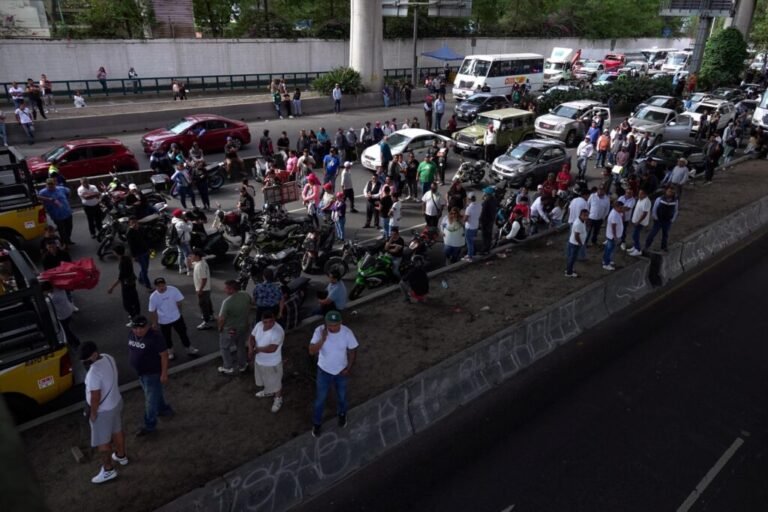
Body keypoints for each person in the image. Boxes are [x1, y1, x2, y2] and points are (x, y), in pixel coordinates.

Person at [80, 341, 126, 484]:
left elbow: (95, 396)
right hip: (116, 401)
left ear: (94, 354)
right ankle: (121, 456)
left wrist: (93, 414)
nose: (85, 363)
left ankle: (108, 470)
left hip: (104, 411)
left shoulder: (94, 373)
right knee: (117, 431)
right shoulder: (108, 357)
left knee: (102, 442)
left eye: (87, 360)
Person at [309, 310, 359, 437]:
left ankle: (342, 415)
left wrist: (348, 368)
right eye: (330, 325)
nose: (332, 328)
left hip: (340, 372)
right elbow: (311, 351)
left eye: (335, 325)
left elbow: (353, 351)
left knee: (341, 396)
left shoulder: (347, 332)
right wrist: (322, 339)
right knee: (320, 399)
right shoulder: (319, 331)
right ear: (325, 323)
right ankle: (317, 423)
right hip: (323, 371)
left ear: (341, 323)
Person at [126, 315, 174, 438]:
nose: (138, 330)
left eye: (141, 328)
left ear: (147, 326)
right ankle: (163, 409)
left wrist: (164, 373)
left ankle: (150, 425)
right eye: (135, 328)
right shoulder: (131, 334)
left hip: (152, 373)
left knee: (150, 401)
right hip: (141, 373)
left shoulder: (155, 337)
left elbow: (164, 355)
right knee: (153, 394)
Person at [148, 277, 199, 360]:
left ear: (165, 284)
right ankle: (170, 351)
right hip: (164, 321)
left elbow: (179, 302)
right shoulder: (153, 297)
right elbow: (152, 311)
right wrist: (154, 323)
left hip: (176, 317)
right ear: (156, 286)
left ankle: (189, 348)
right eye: (159, 286)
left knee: (183, 333)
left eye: (163, 285)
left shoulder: (173, 290)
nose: (161, 287)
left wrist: (179, 312)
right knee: (167, 337)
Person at [248, 312, 285, 413]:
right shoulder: (259, 325)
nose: (268, 324)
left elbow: (272, 348)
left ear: (274, 319)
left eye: (271, 322)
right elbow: (251, 337)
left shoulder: (278, 331)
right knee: (265, 378)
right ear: (262, 321)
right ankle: (268, 391)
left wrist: (256, 350)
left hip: (272, 363)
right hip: (260, 361)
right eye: (265, 322)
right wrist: (250, 348)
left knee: (276, 383)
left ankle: (278, 398)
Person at [217, 280, 252, 375]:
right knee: (240, 346)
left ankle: (228, 367)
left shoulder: (227, 302)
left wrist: (220, 328)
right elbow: (250, 305)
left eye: (226, 288)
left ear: (231, 289)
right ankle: (243, 365)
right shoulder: (245, 295)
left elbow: (221, 318)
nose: (224, 290)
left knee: (224, 347)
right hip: (243, 327)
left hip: (230, 329)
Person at [41, 280, 80, 347]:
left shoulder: (52, 298)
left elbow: (46, 303)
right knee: (67, 329)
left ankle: (75, 342)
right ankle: (73, 342)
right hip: (68, 310)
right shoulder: (59, 289)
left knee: (65, 331)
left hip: (63, 316)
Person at [108, 245, 141, 323]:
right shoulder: (126, 258)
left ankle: (134, 318)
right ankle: (137, 314)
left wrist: (111, 287)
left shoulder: (123, 263)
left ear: (117, 253)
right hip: (132, 282)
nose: (113, 253)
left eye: (114, 252)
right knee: (134, 299)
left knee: (127, 304)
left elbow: (120, 278)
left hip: (127, 284)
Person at [38, 178, 74, 245]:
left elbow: (68, 191)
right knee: (62, 230)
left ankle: (68, 239)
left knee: (69, 227)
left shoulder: (61, 188)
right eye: (49, 184)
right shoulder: (43, 192)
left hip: (67, 212)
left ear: (55, 184)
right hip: (56, 215)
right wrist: (48, 199)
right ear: (46, 185)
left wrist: (67, 199)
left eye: (52, 184)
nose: (50, 185)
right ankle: (65, 242)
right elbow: (37, 197)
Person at [644, 186, 679, 252]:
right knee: (652, 234)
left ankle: (664, 247)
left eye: (672, 192)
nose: (670, 193)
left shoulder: (675, 201)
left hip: (667, 221)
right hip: (658, 220)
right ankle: (647, 246)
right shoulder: (659, 199)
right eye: (669, 191)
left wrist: (672, 219)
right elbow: (654, 209)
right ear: (666, 191)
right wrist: (655, 217)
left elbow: (676, 211)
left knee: (665, 235)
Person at [126, 217, 152, 291]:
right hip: (139, 254)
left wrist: (149, 248)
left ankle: (141, 278)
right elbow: (131, 246)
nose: (134, 224)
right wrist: (134, 256)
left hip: (146, 251)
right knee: (144, 270)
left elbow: (145, 239)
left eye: (135, 222)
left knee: (145, 269)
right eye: (132, 223)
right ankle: (148, 286)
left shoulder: (141, 229)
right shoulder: (129, 232)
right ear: (130, 224)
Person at [190, 250, 213, 330]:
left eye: (192, 255)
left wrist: (200, 290)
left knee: (203, 304)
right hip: (206, 288)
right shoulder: (200, 262)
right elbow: (191, 265)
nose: (191, 257)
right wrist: (190, 260)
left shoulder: (201, 266)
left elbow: (204, 279)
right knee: (207, 302)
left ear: (197, 256)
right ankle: (210, 315)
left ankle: (206, 322)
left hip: (203, 289)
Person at [628, 188, 652, 257]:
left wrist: (638, 221)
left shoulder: (647, 201)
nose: (639, 195)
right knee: (635, 235)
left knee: (635, 235)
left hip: (640, 222)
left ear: (645, 194)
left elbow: (645, 213)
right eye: (639, 193)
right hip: (636, 220)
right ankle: (635, 247)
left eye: (641, 194)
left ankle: (638, 250)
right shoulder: (640, 199)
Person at [565, 209, 588, 277]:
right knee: (572, 258)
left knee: (571, 257)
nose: (586, 217)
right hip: (575, 243)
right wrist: (580, 243)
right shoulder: (578, 224)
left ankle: (569, 269)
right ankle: (569, 273)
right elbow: (576, 235)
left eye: (587, 215)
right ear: (580, 215)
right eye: (584, 215)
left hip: (573, 242)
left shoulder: (581, 221)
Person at [602, 201, 625, 271]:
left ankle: (605, 260)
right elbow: (613, 227)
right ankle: (606, 264)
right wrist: (615, 237)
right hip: (612, 236)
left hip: (612, 235)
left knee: (608, 249)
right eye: (621, 208)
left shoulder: (617, 212)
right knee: (609, 249)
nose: (622, 209)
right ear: (616, 207)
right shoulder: (614, 215)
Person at [480, 186, 498, 255]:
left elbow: (483, 212)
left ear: (487, 193)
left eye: (484, 192)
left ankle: (484, 249)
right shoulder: (494, 199)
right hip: (491, 220)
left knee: (485, 236)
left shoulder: (486, 202)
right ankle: (488, 248)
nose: (483, 193)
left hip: (485, 221)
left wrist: (480, 221)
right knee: (489, 235)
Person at [463, 192, 481, 261]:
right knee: (472, 241)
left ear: (469, 199)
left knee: (469, 242)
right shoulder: (479, 205)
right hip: (475, 226)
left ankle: (470, 256)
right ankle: (470, 254)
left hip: (469, 227)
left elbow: (465, 219)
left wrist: (463, 219)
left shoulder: (469, 208)